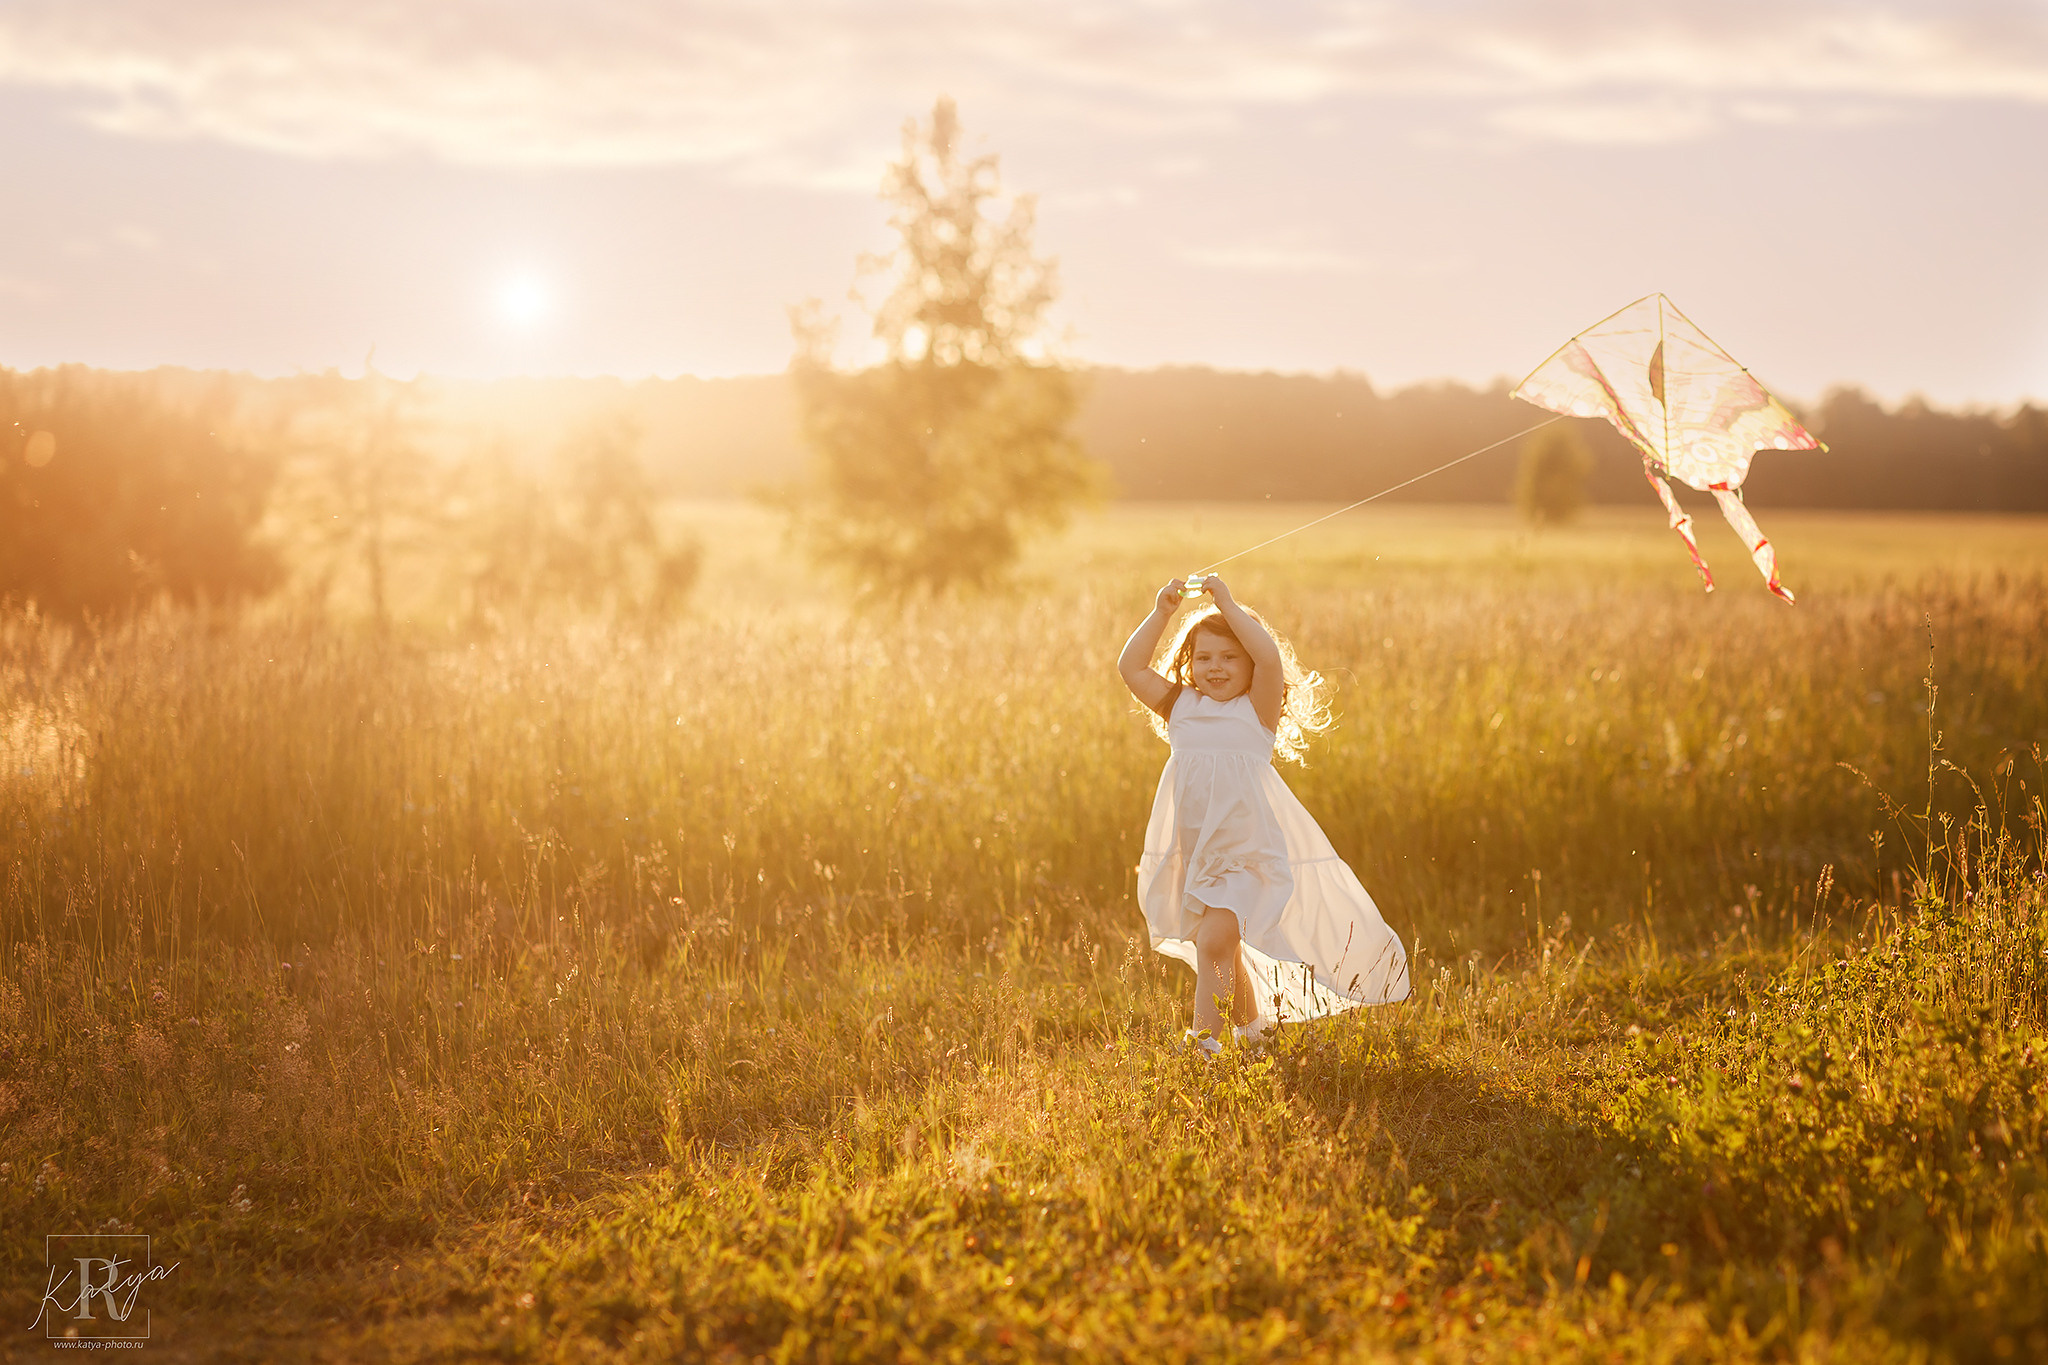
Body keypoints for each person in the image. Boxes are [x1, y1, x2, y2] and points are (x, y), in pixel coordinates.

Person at [1117, 575, 1410, 1057]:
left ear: (1251, 666)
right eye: (1205, 657)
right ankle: (1254, 1036)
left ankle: (1203, 1046)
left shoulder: (1256, 712)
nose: (1215, 667)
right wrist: (1161, 613)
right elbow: (1131, 667)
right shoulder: (1181, 708)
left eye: (1230, 657)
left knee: (1212, 941)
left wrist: (1228, 605)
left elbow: (1271, 657)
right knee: (1224, 948)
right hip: (1202, 855)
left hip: (1249, 855)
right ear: (1190, 664)